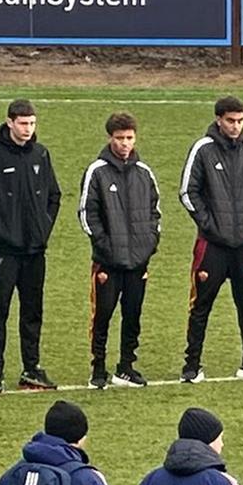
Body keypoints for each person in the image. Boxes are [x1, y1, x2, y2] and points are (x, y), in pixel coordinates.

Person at [0, 101, 61, 395]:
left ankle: (31, 367)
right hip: (5, 251)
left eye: (32, 123)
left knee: (33, 310)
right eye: (23, 123)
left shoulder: (40, 154)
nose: (28, 129)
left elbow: (54, 195)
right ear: (9, 122)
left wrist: (44, 226)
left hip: (35, 249)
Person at [178, 97, 243, 383]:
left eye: (240, 121)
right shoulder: (203, 149)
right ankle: (192, 365)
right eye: (230, 120)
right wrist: (209, 225)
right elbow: (187, 192)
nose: (236, 126)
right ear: (219, 119)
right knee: (201, 305)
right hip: (212, 245)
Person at [78, 112, 161, 389]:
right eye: (119, 138)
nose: (125, 144)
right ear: (109, 138)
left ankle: (126, 366)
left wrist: (148, 246)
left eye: (129, 138)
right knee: (102, 315)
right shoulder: (97, 172)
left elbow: (154, 213)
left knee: (133, 315)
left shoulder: (144, 173)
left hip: (138, 261)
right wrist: (106, 247)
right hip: (108, 262)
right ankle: (98, 368)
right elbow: (87, 215)